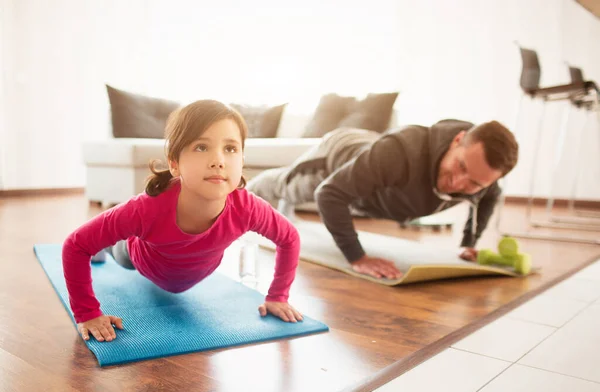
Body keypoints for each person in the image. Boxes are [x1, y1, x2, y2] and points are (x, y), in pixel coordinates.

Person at [63, 100, 303, 343]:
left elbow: (289, 238)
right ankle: (105, 245)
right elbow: (76, 245)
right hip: (138, 257)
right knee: (117, 250)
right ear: (174, 163)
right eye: (201, 147)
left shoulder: (248, 208)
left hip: (190, 272)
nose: (218, 160)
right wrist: (87, 313)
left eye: (230, 148)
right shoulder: (145, 210)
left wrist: (278, 296)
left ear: (242, 160)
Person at [247, 119, 519, 280]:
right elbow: (329, 194)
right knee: (286, 186)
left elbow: (489, 196)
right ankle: (241, 193)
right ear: (457, 141)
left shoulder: (485, 181)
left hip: (372, 158)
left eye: (474, 183)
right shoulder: (400, 152)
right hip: (337, 156)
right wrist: (357, 257)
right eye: (460, 167)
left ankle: (282, 209)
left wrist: (468, 244)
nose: (459, 184)